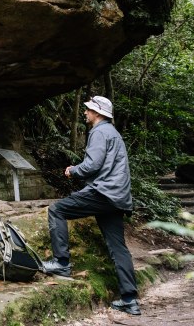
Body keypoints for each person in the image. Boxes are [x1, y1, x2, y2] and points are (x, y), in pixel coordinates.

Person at [42, 96, 141, 316]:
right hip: (118, 197)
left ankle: (61, 262)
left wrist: (73, 170)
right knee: (118, 248)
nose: (85, 112)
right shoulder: (114, 133)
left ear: (97, 113)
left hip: (103, 193)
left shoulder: (99, 132)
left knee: (57, 210)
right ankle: (130, 300)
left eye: (88, 109)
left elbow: (93, 165)